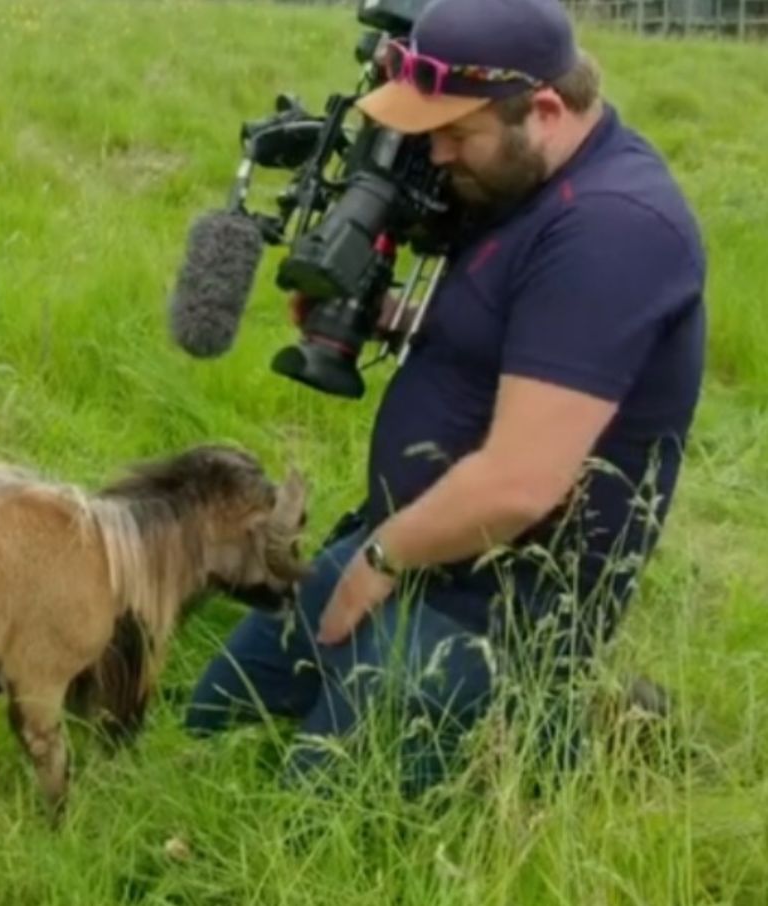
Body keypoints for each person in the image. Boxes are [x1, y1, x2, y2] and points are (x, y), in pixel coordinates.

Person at [185, 0, 706, 794]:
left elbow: (520, 482)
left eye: (456, 133)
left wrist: (378, 560)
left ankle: (567, 723)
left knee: (314, 812)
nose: (437, 151)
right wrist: (380, 312)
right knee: (211, 717)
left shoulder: (613, 233)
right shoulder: (521, 184)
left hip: (500, 605)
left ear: (544, 111)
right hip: (410, 539)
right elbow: (511, 328)